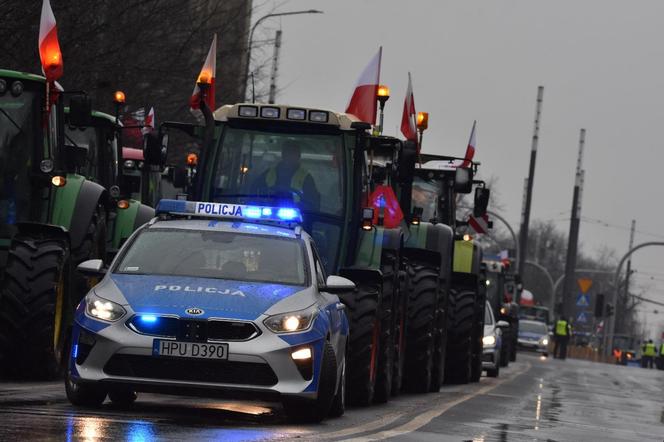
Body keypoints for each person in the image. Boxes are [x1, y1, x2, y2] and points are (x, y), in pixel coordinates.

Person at [254, 143, 320, 211]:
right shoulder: (269, 173)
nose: (290, 156)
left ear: (298, 156)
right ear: (283, 155)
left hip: (297, 216)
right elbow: (254, 190)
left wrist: (300, 208)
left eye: (293, 153)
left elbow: (312, 203)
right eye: (287, 153)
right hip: (267, 212)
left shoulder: (306, 177)